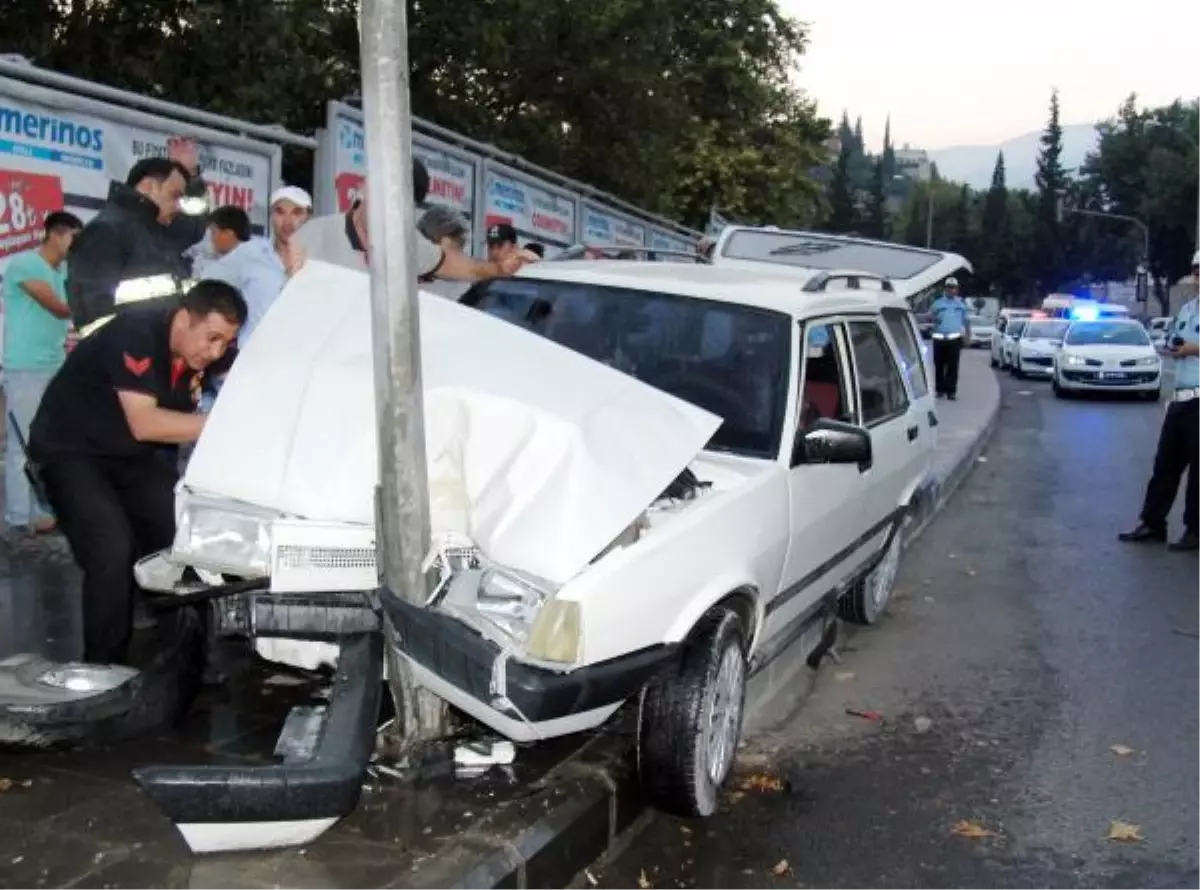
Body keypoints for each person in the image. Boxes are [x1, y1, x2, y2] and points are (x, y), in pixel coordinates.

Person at [28, 281, 247, 665]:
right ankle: (102, 670)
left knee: (180, 535)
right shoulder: (137, 332)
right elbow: (146, 424)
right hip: (71, 451)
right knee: (111, 549)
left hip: (127, 455)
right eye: (211, 338)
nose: (215, 352)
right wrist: (223, 423)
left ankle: (186, 656)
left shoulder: (203, 354)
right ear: (185, 318)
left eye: (224, 343)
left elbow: (242, 382)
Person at [293, 158, 530, 282]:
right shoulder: (312, 237)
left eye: (398, 202)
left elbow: (464, 268)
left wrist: (499, 268)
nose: (386, 207)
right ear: (364, 186)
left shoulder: (408, 246)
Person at [2, 211, 83, 537]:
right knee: (21, 445)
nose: (76, 246)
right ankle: (18, 516)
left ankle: (39, 509)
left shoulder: (62, 270)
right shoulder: (24, 264)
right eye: (74, 238)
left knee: (45, 442)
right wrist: (94, 303)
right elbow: (58, 307)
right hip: (25, 366)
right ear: (57, 234)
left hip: (54, 363)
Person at [66, 156, 208, 332]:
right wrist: (124, 353)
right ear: (149, 186)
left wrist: (192, 177)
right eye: (175, 196)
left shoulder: (157, 230)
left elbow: (195, 228)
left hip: (155, 351)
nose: (178, 207)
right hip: (127, 355)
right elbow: (92, 311)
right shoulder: (107, 230)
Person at [1119, 252, 1200, 552]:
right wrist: (1174, 348)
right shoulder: (1189, 309)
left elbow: (1192, 346)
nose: (1198, 278)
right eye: (1196, 271)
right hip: (1180, 399)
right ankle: (1153, 523)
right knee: (1165, 465)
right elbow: (1176, 339)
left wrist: (1194, 349)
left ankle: (1196, 530)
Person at [201, 205, 287, 343]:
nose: (212, 239)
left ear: (228, 234)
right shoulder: (262, 249)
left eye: (214, 232)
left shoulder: (242, 256)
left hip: (252, 343)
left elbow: (204, 282)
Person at [929, 277, 971, 400]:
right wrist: (933, 320)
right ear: (945, 289)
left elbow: (967, 321)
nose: (951, 290)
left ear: (957, 289)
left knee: (953, 366)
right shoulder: (937, 304)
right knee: (939, 366)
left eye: (953, 287)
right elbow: (930, 318)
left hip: (954, 339)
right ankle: (939, 390)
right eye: (949, 287)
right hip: (939, 338)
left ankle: (951, 392)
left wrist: (968, 337)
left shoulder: (961, 305)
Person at [269, 185, 313, 268]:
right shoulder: (249, 256)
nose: (287, 221)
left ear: (308, 218)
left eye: (296, 213)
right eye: (280, 212)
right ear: (271, 216)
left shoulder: (322, 262)